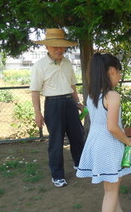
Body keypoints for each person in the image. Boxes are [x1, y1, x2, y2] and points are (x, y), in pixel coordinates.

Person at [76, 53, 131, 212]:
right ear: (111, 71)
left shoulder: (92, 95)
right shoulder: (112, 95)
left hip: (95, 142)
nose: (119, 75)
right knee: (111, 189)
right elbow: (112, 127)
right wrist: (128, 140)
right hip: (108, 144)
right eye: (118, 71)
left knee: (111, 183)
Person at [30, 28, 85, 188]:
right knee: (56, 141)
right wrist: (38, 113)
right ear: (47, 47)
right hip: (53, 105)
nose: (58, 49)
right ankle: (57, 175)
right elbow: (35, 91)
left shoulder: (68, 63)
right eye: (54, 46)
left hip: (70, 103)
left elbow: (72, 86)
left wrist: (78, 103)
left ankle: (80, 165)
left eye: (61, 46)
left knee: (77, 136)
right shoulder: (39, 66)